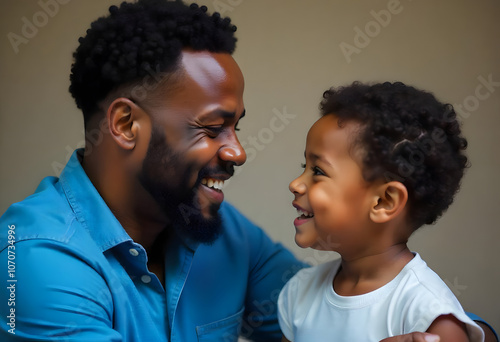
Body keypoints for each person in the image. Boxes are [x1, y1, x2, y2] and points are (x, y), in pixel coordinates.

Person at [0, 1, 495, 341]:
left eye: (236, 127)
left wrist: (454, 332)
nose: (237, 153)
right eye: (212, 128)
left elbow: (337, 310)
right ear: (127, 124)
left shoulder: (221, 231)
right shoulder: (34, 260)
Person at [278, 81, 497, 342]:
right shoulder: (298, 292)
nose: (295, 184)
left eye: (317, 171)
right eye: (305, 165)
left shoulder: (430, 318)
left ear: (384, 201)